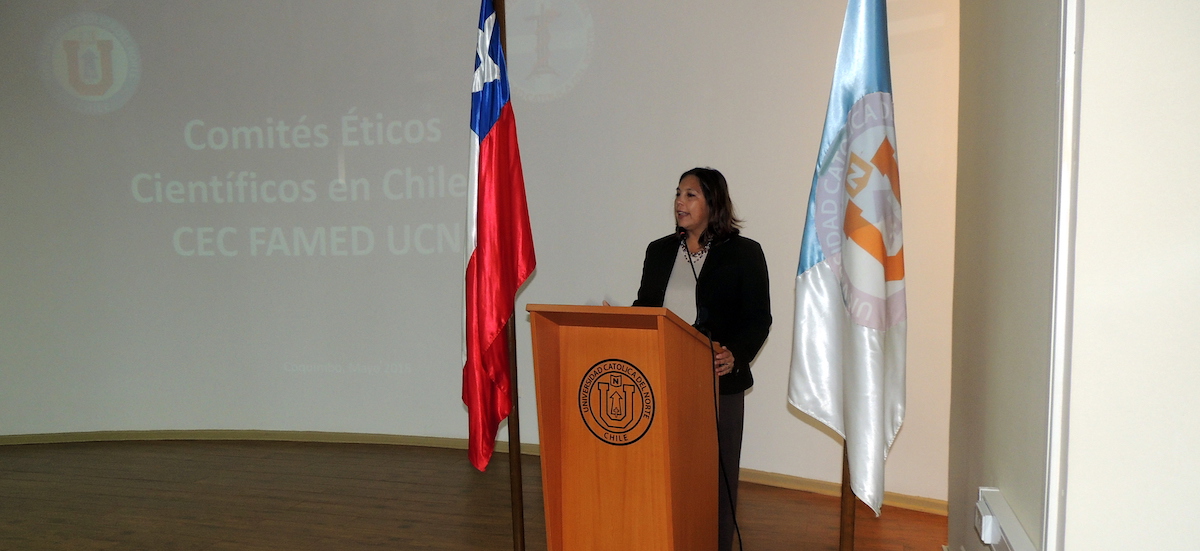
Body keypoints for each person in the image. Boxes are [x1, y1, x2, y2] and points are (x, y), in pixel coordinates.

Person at [631, 167, 771, 551]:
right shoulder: (659, 251)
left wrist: (735, 354)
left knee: (716, 479)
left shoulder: (744, 253)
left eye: (690, 194)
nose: (680, 201)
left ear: (713, 202)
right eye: (678, 193)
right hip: (665, 378)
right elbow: (647, 308)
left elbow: (758, 319)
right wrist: (625, 321)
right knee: (667, 470)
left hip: (718, 381)